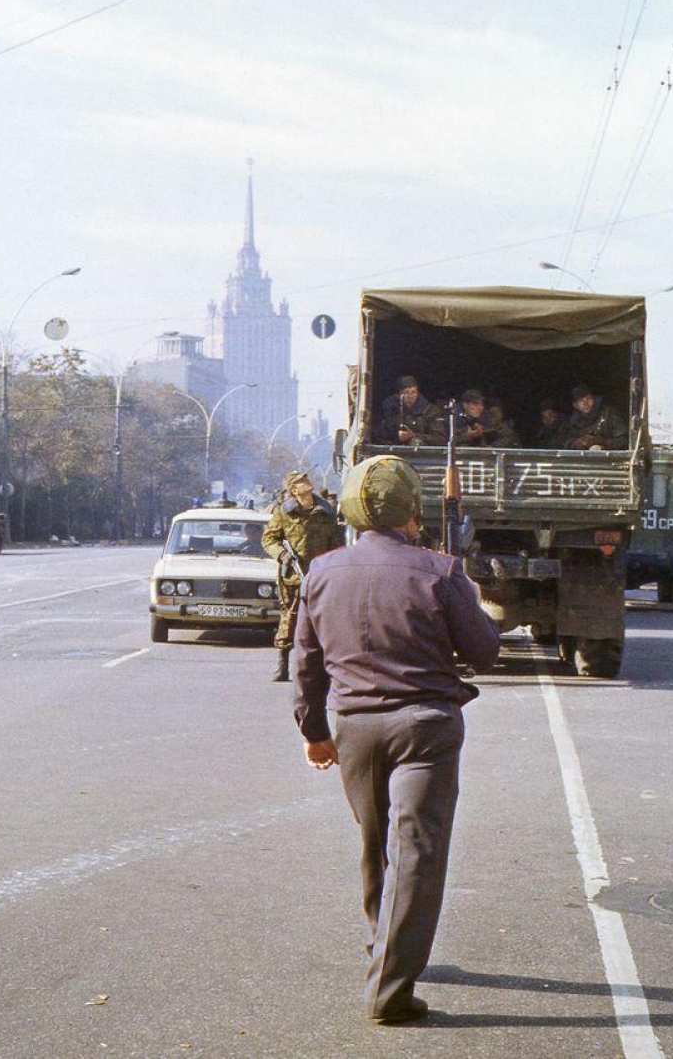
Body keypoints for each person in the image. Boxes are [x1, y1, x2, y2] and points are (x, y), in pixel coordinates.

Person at [293, 455, 500, 1025]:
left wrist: (314, 733)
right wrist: (475, 598)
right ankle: (389, 990)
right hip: (424, 728)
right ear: (412, 509)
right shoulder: (441, 570)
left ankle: (383, 944)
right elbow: (484, 652)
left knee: (376, 843)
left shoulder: (321, 570)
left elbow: (304, 664)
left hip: (353, 728)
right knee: (417, 853)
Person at [262, 471, 342, 682]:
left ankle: (320, 666)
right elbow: (269, 539)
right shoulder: (285, 512)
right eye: (299, 481)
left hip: (319, 576)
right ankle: (282, 663)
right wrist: (283, 554)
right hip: (293, 577)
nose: (305, 482)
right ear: (293, 490)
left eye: (305, 479)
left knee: (322, 620)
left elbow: (336, 542)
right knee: (290, 617)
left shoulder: (325, 510)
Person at [380, 375, 447, 446]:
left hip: (423, 453)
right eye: (406, 392)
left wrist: (414, 436)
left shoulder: (430, 411)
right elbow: (381, 435)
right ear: (399, 395)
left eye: (413, 392)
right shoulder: (392, 409)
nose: (410, 396)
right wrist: (396, 436)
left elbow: (440, 439)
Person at [562, 384, 627, 450]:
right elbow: (563, 441)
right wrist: (576, 444)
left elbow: (624, 440)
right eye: (581, 401)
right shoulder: (573, 421)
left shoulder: (609, 414)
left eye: (588, 399)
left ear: (594, 399)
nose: (586, 404)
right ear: (575, 405)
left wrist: (602, 443)